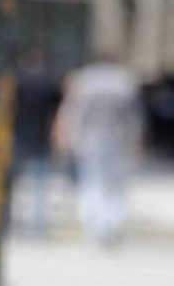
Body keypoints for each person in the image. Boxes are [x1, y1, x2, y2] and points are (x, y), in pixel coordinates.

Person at [54, 53, 143, 245]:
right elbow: (134, 117)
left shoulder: (85, 80)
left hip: (89, 141)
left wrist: (67, 138)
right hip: (116, 141)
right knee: (114, 185)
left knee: (92, 182)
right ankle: (109, 225)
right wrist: (136, 141)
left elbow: (72, 113)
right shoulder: (124, 82)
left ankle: (95, 226)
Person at [10, 47, 61, 236]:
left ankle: (9, 223)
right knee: (39, 185)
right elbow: (56, 111)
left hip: (19, 135)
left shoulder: (17, 81)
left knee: (12, 184)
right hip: (40, 136)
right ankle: (38, 227)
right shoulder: (48, 83)